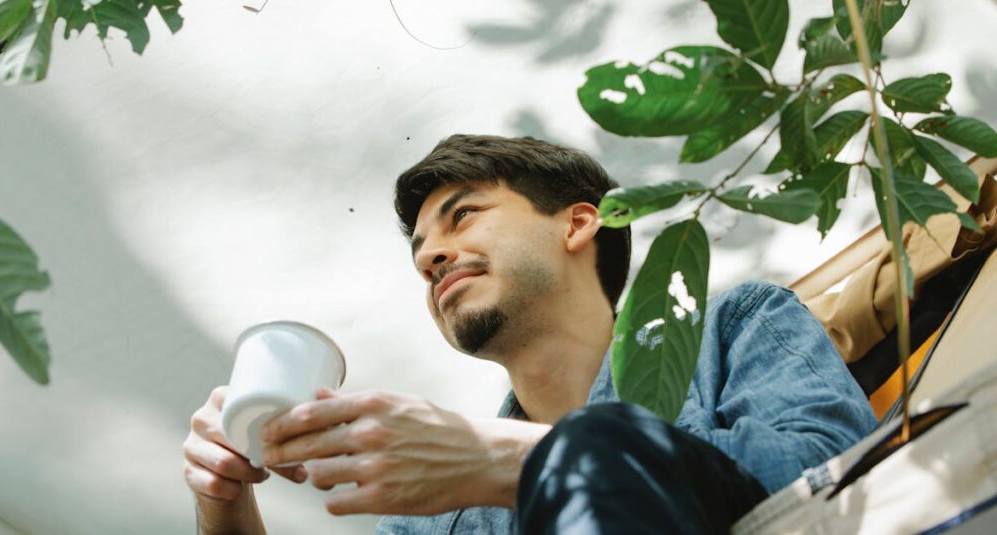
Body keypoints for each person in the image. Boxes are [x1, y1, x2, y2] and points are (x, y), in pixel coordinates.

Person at [182, 135, 877, 534]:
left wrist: (512, 460)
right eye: (421, 250)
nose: (430, 256)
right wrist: (225, 504)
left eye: (464, 216)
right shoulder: (435, 511)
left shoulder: (736, 328)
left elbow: (850, 486)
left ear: (577, 223)